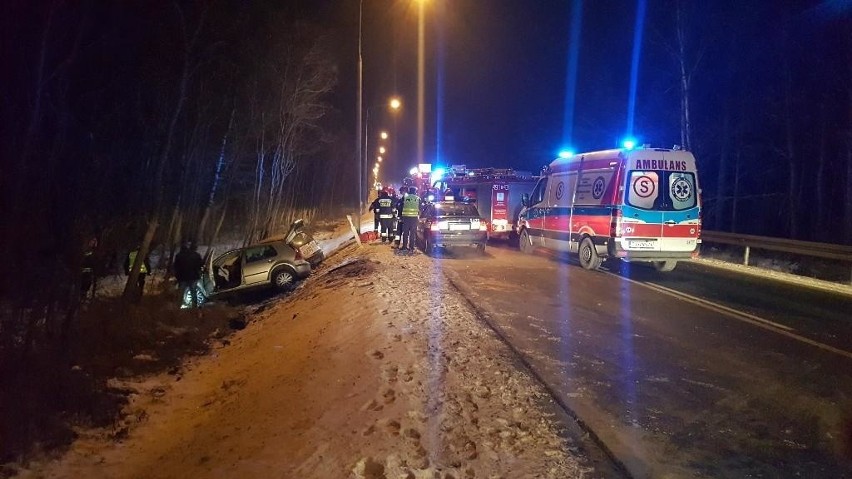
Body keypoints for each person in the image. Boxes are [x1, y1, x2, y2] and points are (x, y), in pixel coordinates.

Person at [173, 240, 204, 309]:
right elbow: (201, 265)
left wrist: (177, 276)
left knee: (181, 293)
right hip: (193, 277)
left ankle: (178, 308)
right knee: (193, 293)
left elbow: (176, 267)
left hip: (182, 277)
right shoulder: (196, 255)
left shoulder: (179, 255)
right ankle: (194, 307)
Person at [399, 186, 421, 252]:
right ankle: (411, 247)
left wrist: (401, 215)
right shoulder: (418, 198)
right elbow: (420, 208)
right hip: (414, 218)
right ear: (415, 192)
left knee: (405, 232)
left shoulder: (405, 197)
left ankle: (404, 246)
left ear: (409, 191)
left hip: (406, 218)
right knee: (412, 233)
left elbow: (400, 207)